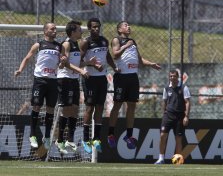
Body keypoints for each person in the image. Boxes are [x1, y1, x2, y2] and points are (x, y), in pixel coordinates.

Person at [14, 22, 87, 150]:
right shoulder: (39, 44)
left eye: (55, 29)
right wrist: (20, 70)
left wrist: (63, 63)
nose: (55, 30)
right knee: (36, 106)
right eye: (52, 29)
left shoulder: (60, 47)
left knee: (50, 109)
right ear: (45, 31)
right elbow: (27, 58)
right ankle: (32, 135)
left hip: (53, 81)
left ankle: (47, 137)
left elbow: (62, 65)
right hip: (40, 80)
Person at [107, 21, 161, 149]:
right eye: (125, 25)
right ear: (119, 29)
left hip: (133, 77)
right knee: (118, 104)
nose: (129, 27)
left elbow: (140, 60)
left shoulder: (132, 42)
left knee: (132, 106)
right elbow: (115, 55)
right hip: (121, 77)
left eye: (129, 25)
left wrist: (151, 64)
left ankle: (129, 135)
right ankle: (110, 134)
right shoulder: (117, 40)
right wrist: (125, 46)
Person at [55, 20, 97, 154]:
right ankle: (60, 140)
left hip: (73, 80)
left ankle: (70, 139)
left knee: (75, 108)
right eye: (79, 30)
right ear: (73, 32)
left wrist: (88, 63)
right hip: (64, 79)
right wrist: (81, 71)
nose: (81, 32)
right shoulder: (66, 44)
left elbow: (77, 63)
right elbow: (65, 64)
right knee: (66, 109)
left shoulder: (76, 44)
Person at [80, 18, 119, 154]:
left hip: (102, 79)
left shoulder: (104, 41)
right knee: (89, 108)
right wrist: (91, 64)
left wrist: (114, 67)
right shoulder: (85, 42)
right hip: (89, 79)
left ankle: (96, 139)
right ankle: (85, 139)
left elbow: (107, 55)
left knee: (100, 108)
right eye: (94, 27)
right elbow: (78, 61)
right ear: (89, 28)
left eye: (98, 27)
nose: (96, 29)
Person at [154, 70, 191, 164]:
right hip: (168, 116)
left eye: (174, 76)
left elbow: (187, 102)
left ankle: (178, 160)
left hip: (179, 116)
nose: (172, 78)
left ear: (178, 77)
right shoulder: (166, 88)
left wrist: (186, 116)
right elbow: (164, 101)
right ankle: (161, 158)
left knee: (178, 139)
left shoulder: (183, 87)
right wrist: (164, 113)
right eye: (170, 76)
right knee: (162, 136)